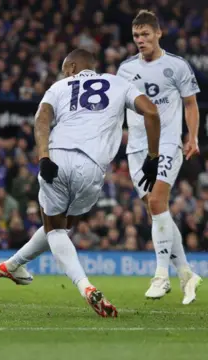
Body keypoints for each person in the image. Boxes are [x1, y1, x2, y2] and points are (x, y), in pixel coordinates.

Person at [0, 49, 161, 318]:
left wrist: (43, 156)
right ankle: (11, 265)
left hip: (57, 156)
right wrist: (153, 157)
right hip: (93, 168)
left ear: (72, 67)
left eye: (64, 69)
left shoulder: (59, 86)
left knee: (56, 229)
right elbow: (152, 113)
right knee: (62, 226)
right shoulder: (119, 83)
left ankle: (84, 286)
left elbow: (42, 119)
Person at [116, 10, 202, 304]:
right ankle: (187, 274)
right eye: (136, 36)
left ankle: (161, 276)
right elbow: (118, 106)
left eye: (145, 34)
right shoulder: (125, 69)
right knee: (157, 213)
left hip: (167, 143)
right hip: (137, 148)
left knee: (156, 202)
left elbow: (190, 104)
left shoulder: (177, 65)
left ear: (158, 33)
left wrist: (193, 136)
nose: (140, 40)